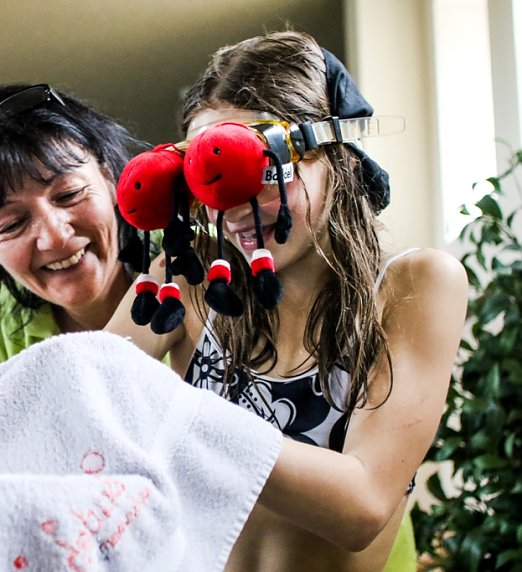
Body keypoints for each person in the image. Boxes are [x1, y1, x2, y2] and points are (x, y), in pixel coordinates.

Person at [107, 31, 467, 571]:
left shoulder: (412, 286)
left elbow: (361, 505)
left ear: (332, 156)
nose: (229, 208)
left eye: (250, 169)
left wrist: (174, 411)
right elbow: (82, 389)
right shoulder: (191, 278)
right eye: (208, 177)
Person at [0, 83, 146, 381]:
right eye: (12, 224)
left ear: (110, 179)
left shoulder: (200, 264)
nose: (55, 236)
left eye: (69, 194)